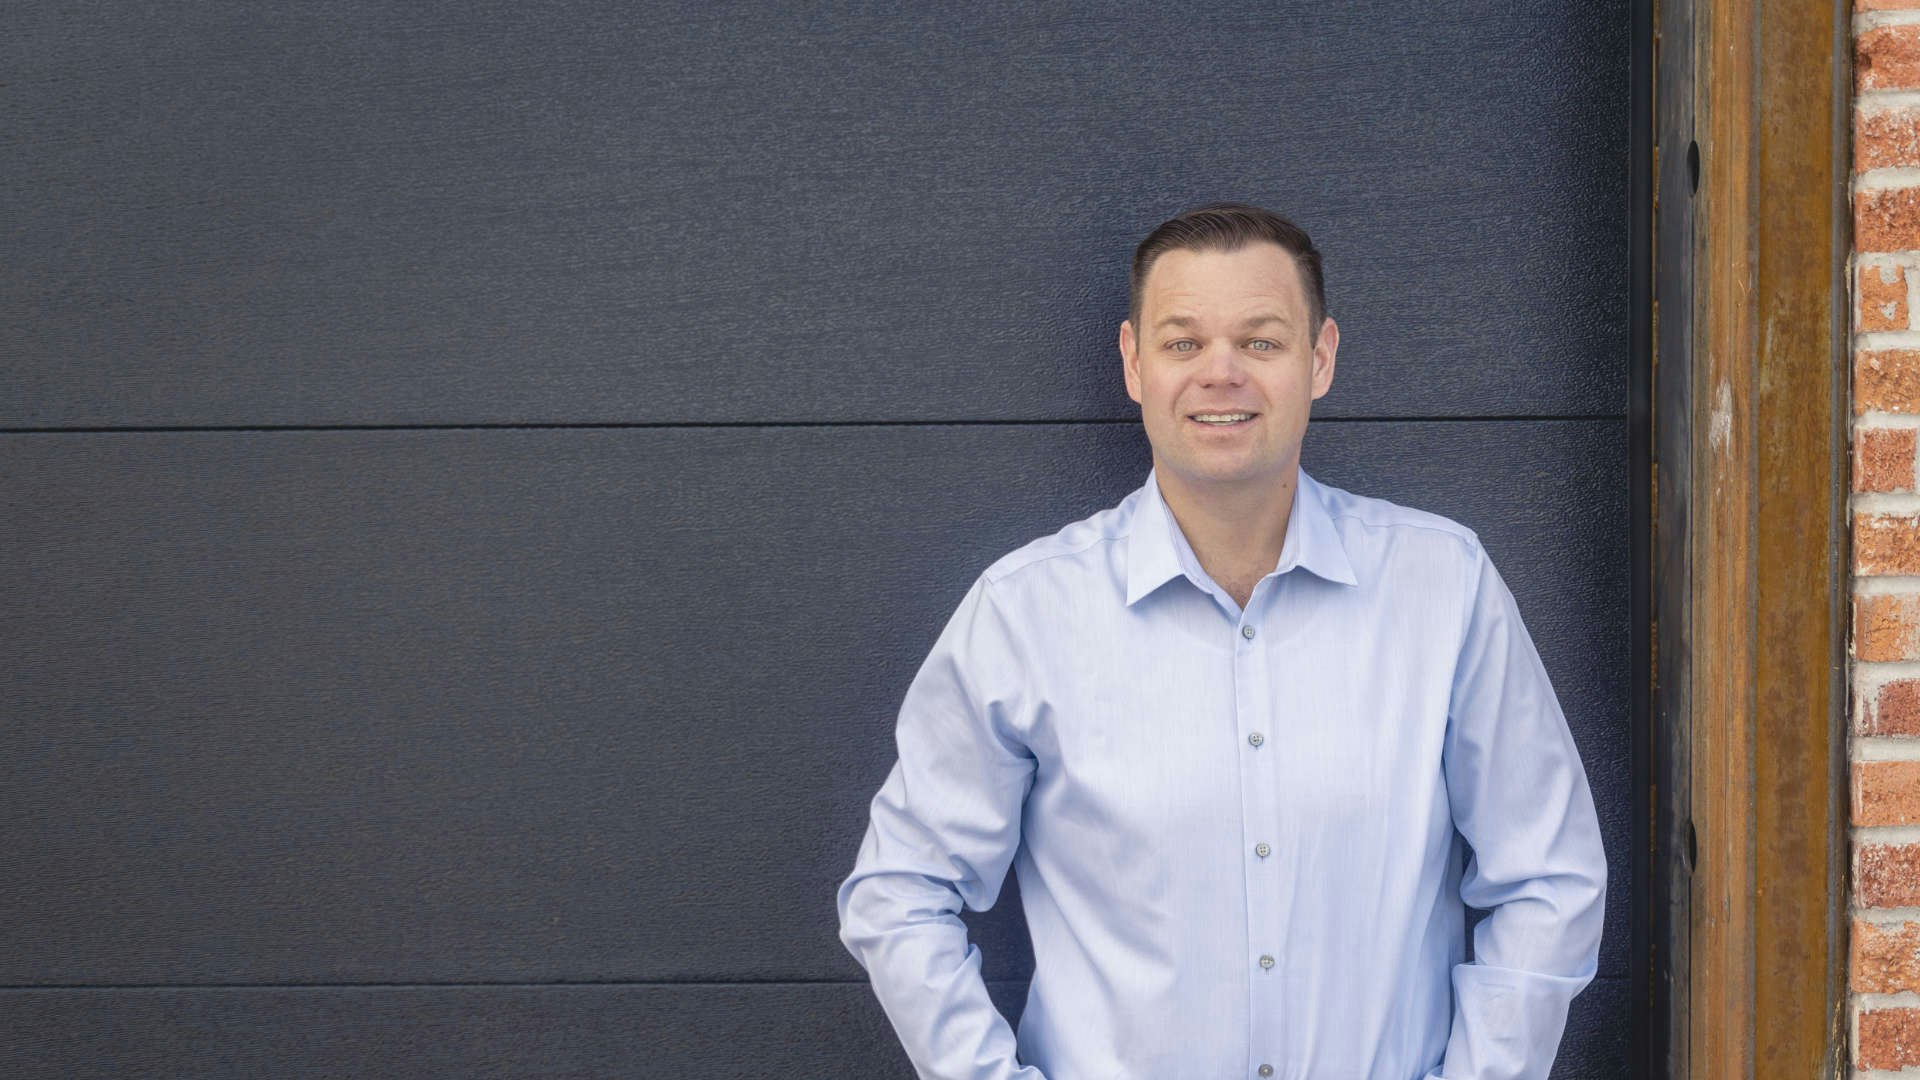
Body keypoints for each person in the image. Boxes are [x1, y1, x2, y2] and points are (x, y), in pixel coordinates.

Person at [835, 203, 1607, 1080]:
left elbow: (1548, 876)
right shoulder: (1025, 614)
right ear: (1134, 363)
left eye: (1262, 342)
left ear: (1320, 360)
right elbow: (899, 894)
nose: (1221, 374)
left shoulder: (1445, 587)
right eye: (1182, 343)